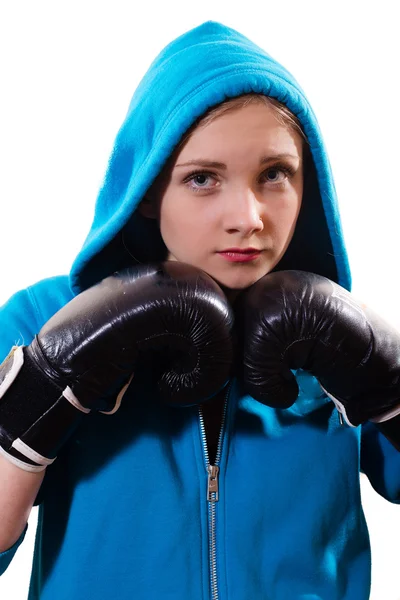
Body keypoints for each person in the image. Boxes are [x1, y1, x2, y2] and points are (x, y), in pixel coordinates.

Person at [1, 19, 400, 600]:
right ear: (145, 191)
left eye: (274, 174)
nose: (248, 216)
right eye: (203, 178)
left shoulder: (336, 337)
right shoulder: (44, 318)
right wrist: (37, 398)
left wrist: (390, 387)